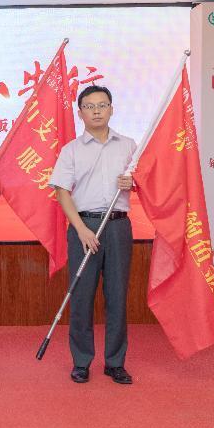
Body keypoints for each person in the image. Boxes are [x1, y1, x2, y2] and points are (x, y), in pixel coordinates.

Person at [49, 85, 137, 385]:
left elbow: (146, 180)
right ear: (80, 113)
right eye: (90, 106)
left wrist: (133, 183)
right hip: (83, 226)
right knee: (82, 296)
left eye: (102, 105)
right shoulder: (71, 150)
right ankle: (81, 361)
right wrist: (81, 229)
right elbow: (62, 192)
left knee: (117, 297)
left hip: (118, 226)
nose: (96, 111)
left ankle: (115, 363)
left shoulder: (129, 146)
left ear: (112, 109)